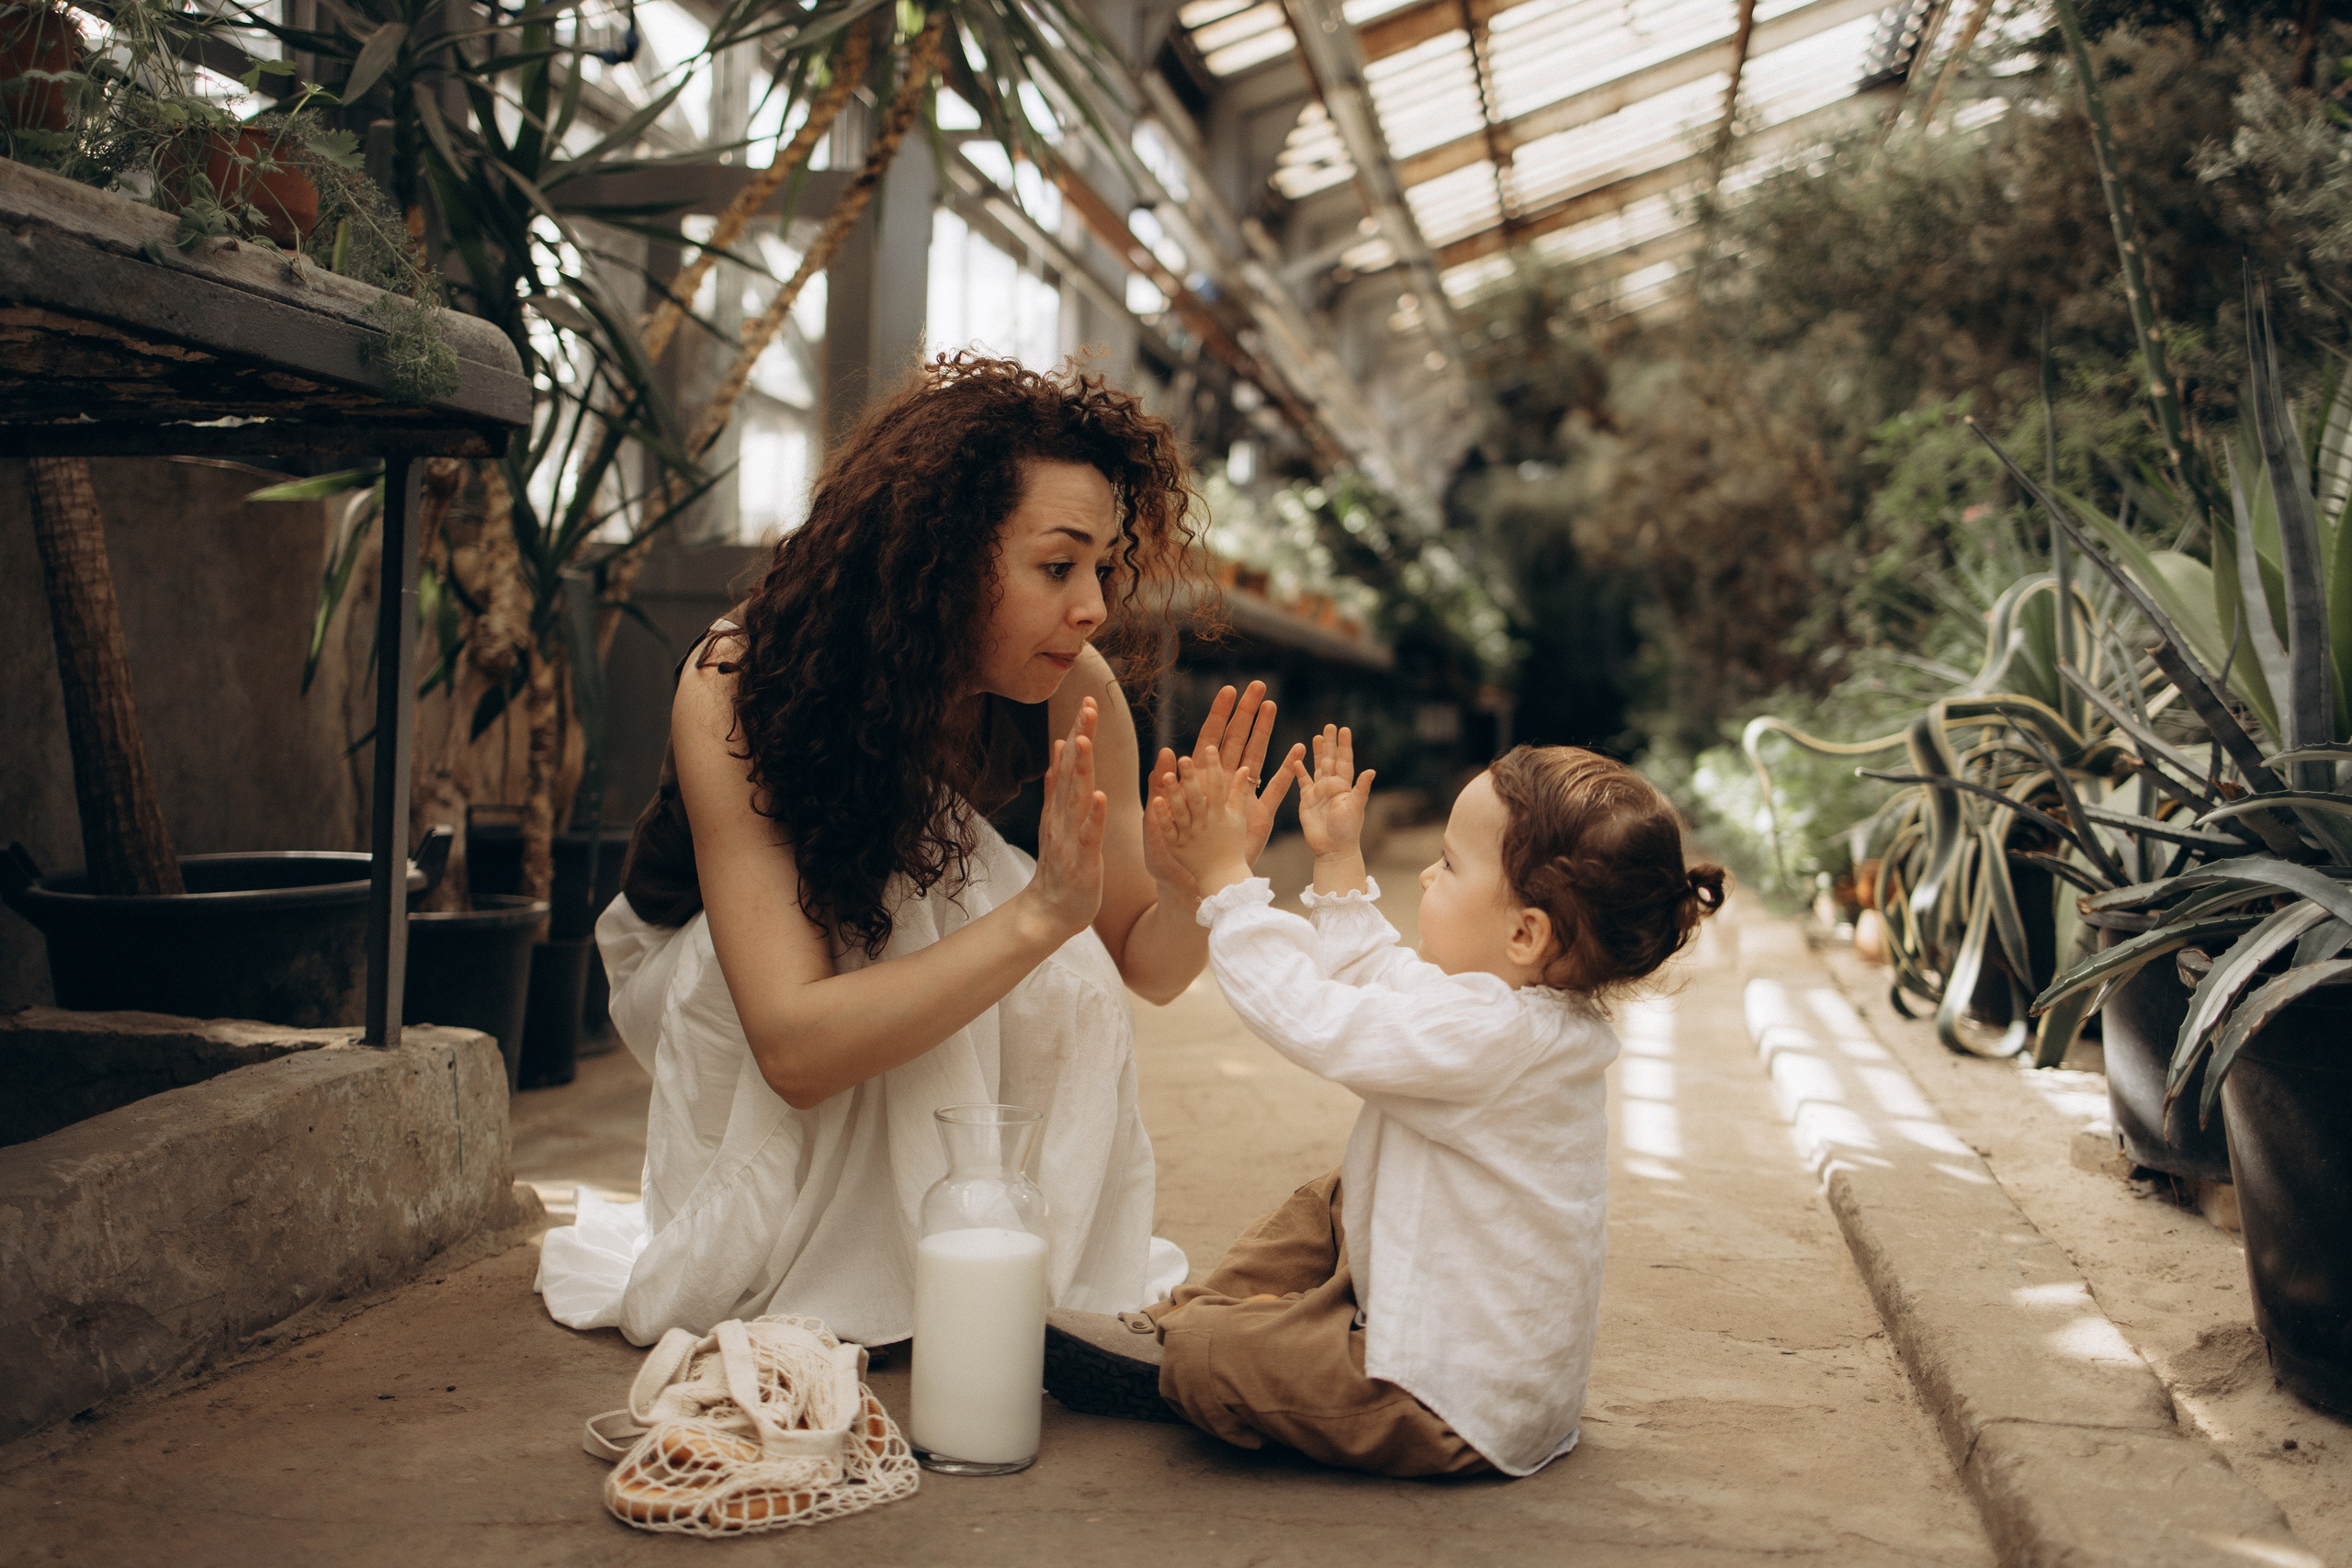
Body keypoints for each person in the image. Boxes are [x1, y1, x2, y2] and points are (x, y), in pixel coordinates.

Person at [535, 355, 1303, 1348]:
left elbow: (1140, 973)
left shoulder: (1079, 693)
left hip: (867, 958)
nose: (1093, 608)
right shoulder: (739, 679)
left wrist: (1198, 881)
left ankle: (977, 1255)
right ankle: (867, 1275)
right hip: (708, 983)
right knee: (948, 888)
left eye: (1104, 569)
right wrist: (1035, 920)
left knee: (1009, 922)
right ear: (940, 555)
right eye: (1057, 566)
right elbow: (792, 1047)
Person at [1042, 728, 1726, 1478]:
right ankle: (1188, 1319)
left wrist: (1227, 883)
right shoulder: (1516, 1009)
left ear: (1525, 931)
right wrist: (1338, 858)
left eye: (1451, 865)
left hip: (1439, 1398)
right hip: (1457, 1344)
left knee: (1212, 1359)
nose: (1428, 876)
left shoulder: (1491, 1034)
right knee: (1334, 1197)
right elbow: (1375, 974)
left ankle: (1194, 1345)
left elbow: (1317, 1017)